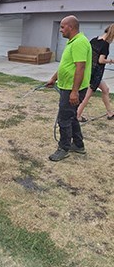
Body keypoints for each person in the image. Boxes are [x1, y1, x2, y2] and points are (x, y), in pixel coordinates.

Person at [45, 15, 92, 162]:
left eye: (62, 27)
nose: (60, 30)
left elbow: (80, 68)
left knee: (64, 119)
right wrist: (54, 78)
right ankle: (78, 145)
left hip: (73, 89)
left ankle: (64, 148)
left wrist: (74, 91)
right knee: (71, 117)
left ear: (71, 27)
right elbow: (66, 66)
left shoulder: (80, 43)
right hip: (67, 87)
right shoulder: (72, 42)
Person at [76, 23, 114, 122]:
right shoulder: (105, 45)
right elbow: (101, 60)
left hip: (89, 70)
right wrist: (110, 61)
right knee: (87, 96)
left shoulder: (94, 40)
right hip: (95, 74)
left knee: (105, 89)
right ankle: (77, 116)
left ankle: (110, 113)